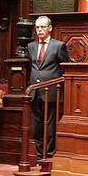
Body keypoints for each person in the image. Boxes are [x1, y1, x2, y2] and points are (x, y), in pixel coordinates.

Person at [27, 16, 68, 159]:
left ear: (50, 28)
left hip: (51, 92)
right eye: (37, 27)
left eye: (42, 27)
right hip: (35, 92)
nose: (39, 30)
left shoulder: (58, 46)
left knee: (50, 125)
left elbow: (65, 68)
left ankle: (49, 155)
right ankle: (39, 155)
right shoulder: (31, 46)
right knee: (37, 125)